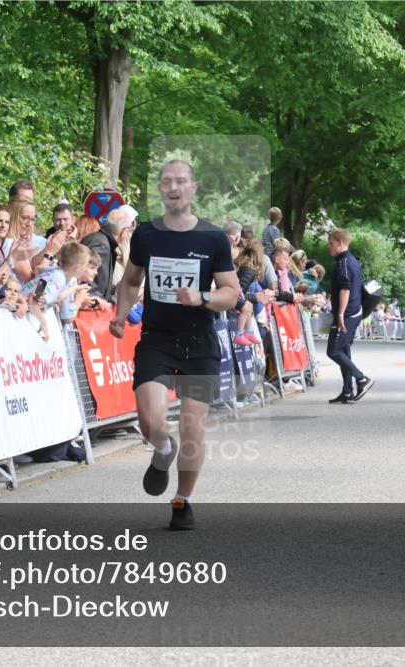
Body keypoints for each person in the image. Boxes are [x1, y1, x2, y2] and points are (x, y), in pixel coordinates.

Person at [109, 160, 238, 531]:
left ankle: (183, 501)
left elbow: (231, 293)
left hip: (199, 343)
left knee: (192, 425)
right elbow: (131, 282)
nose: (174, 188)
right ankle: (163, 450)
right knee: (150, 419)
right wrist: (121, 312)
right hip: (157, 339)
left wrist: (202, 297)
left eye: (181, 181)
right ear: (160, 189)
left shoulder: (212, 238)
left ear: (193, 188)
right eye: (167, 182)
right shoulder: (147, 235)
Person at [325, 228, 374, 404]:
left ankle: (362, 379)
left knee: (334, 350)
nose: (329, 247)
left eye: (331, 243)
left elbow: (345, 289)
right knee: (344, 350)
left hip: (347, 313)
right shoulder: (352, 260)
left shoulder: (344, 263)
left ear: (340, 242)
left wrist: (339, 314)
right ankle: (347, 392)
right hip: (354, 311)